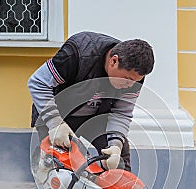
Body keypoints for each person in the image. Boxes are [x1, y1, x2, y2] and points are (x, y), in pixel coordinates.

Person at [28, 31, 154, 173]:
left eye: (135, 81)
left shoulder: (135, 76)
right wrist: (55, 123)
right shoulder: (77, 54)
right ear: (114, 61)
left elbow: (121, 113)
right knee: (59, 171)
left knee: (119, 165)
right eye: (127, 79)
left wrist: (116, 146)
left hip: (96, 118)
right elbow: (37, 83)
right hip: (59, 114)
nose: (130, 85)